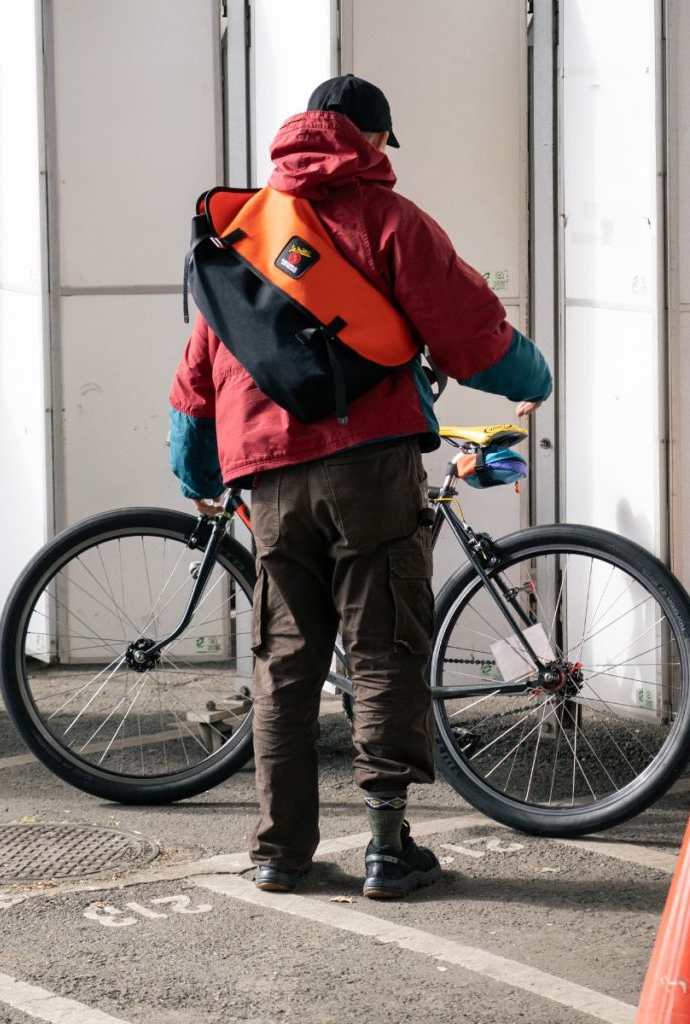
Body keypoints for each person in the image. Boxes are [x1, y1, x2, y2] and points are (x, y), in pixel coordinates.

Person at [168, 75, 552, 899]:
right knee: (382, 648)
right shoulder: (388, 221)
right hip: (368, 462)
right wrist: (536, 376)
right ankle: (386, 847)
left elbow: (198, 375)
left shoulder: (248, 230)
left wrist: (201, 471)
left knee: (286, 659)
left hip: (263, 476)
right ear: (372, 141)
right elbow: (472, 335)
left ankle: (280, 851)